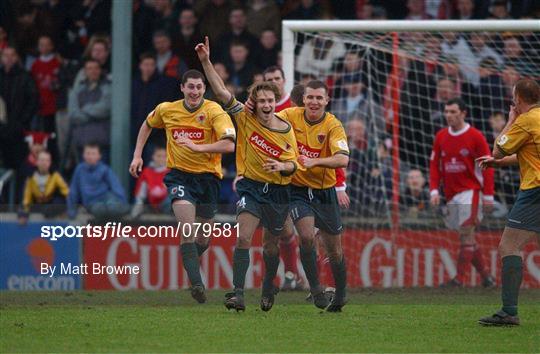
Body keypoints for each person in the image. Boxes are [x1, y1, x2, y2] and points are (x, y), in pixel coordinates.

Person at [197, 36, 300, 312]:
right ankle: (238, 293)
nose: (265, 104)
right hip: (251, 188)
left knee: (270, 246)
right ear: (254, 101)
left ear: (275, 101)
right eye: (261, 100)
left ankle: (268, 285)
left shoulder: (285, 128)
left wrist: (282, 166)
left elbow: (294, 164)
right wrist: (206, 61)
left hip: (277, 192)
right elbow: (220, 92)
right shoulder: (244, 117)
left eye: (269, 100)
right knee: (243, 237)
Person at [129, 69, 236, 304]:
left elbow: (229, 145)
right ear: (182, 88)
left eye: (199, 87)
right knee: (186, 230)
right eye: (191, 87)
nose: (195, 91)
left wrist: (199, 148)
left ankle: (189, 260)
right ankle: (197, 284)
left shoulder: (214, 111)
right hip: (179, 177)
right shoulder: (168, 109)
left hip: (208, 179)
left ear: (204, 89)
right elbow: (147, 124)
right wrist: (137, 155)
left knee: (204, 240)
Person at [272, 80, 350, 312]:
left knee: (334, 249)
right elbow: (265, 122)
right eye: (310, 97)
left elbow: (343, 159)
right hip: (297, 191)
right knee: (306, 237)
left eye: (319, 98)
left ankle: (341, 293)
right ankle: (316, 289)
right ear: (303, 99)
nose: (314, 102)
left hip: (324, 192)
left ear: (326, 100)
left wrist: (315, 161)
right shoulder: (289, 115)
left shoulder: (333, 125)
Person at [477, 79, 540, 326]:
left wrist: (511, 119)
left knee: (508, 246)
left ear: (519, 100)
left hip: (535, 190)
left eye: (513, 96)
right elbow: (529, 153)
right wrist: (501, 164)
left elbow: (498, 150)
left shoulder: (525, 121)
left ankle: (509, 311)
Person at [429, 98, 496, 288]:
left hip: (471, 192)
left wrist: (489, 195)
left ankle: (459, 279)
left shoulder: (475, 136)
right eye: (446, 111)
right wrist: (434, 190)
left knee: (466, 233)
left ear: (463, 113)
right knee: (467, 238)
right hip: (451, 194)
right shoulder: (441, 136)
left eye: (453, 112)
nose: (448, 115)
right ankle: (486, 278)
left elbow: (488, 166)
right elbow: (434, 166)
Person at [68, 143, 129, 220]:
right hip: (92, 203)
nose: (90, 156)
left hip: (108, 199)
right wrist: (72, 212)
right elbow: (73, 192)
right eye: (88, 153)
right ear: (83, 155)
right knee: (100, 210)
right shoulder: (79, 170)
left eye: (93, 154)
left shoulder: (104, 169)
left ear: (99, 156)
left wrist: (123, 203)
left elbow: (116, 187)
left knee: (114, 207)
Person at [18, 150, 69, 225]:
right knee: (22, 208)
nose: (44, 163)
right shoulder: (30, 177)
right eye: (42, 160)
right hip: (37, 205)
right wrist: (23, 214)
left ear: (50, 163)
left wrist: (68, 209)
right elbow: (26, 198)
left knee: (59, 202)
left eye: (47, 160)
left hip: (51, 204)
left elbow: (67, 193)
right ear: (37, 162)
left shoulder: (56, 176)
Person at [130, 146, 170, 218]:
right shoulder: (146, 172)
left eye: (164, 156)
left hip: (168, 206)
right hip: (151, 206)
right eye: (158, 156)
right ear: (153, 156)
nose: (161, 159)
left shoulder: (171, 172)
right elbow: (140, 195)